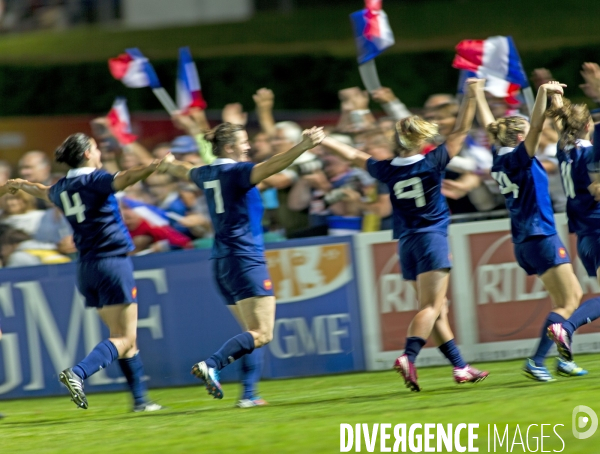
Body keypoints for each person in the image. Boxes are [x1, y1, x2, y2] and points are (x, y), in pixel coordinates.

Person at [321, 78, 489, 392]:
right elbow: (461, 130)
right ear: (420, 139)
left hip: (407, 243)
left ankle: (460, 367)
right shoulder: (432, 161)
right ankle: (409, 356)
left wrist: (322, 140)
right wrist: (471, 95)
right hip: (431, 239)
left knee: (439, 309)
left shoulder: (387, 169)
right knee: (431, 308)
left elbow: (352, 155)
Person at [160, 122, 325, 405]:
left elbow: (182, 170)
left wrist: (168, 164)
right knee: (262, 333)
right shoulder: (237, 172)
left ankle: (249, 395)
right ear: (229, 147)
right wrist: (303, 146)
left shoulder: (205, 173)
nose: (248, 146)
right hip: (244, 257)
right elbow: (273, 165)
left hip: (221, 261)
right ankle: (212, 364)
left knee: (251, 332)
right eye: (244, 141)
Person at [7, 133, 167, 411]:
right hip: (113, 263)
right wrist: (155, 165)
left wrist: (20, 184)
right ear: (86, 154)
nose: (99, 151)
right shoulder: (97, 179)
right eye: (95, 147)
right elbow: (127, 177)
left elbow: (40, 190)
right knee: (124, 337)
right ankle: (78, 373)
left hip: (86, 268)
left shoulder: (61, 188)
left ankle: (141, 401)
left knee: (123, 338)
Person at [477, 81, 591, 381]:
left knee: (563, 302)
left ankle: (562, 360)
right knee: (571, 300)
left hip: (523, 240)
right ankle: (537, 361)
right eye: (526, 132)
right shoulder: (517, 157)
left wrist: (477, 95)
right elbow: (538, 124)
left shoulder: (498, 156)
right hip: (541, 235)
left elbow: (491, 126)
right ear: (519, 136)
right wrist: (542, 92)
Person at [544, 97, 600, 364]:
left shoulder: (563, 149)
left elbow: (560, 122)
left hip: (584, 234)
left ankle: (565, 331)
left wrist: (554, 97)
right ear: (588, 124)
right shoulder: (591, 154)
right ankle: (566, 328)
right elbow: (596, 190)